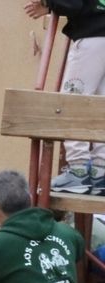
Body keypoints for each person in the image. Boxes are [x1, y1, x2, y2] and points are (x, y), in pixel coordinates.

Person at [26, 0, 105, 194]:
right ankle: (100, 173)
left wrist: (48, 2)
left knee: (71, 102)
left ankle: (78, 170)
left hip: (92, 36)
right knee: (101, 105)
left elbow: (72, 3)